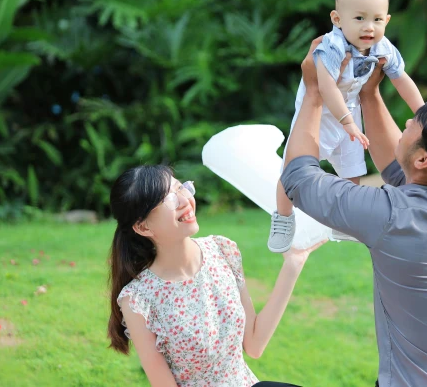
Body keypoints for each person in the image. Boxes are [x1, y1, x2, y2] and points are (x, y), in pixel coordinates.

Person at [280, 39, 427, 386]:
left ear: (425, 159)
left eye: (414, 122)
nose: (406, 122)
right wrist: (369, 94)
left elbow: (297, 176)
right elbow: (403, 173)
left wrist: (313, 91)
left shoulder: (391, 216)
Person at [107, 165, 323, 387]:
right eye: (168, 200)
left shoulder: (222, 250)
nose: (184, 201)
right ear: (143, 227)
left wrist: (293, 263)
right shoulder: (138, 300)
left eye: (181, 188)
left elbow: (254, 344)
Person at [269, 0, 425, 253]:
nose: (369, 27)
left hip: (349, 111)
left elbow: (402, 79)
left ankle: (343, 222)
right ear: (337, 19)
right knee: (292, 168)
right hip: (319, 115)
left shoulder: (382, 47)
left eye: (377, 19)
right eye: (359, 18)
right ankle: (283, 216)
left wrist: (425, 113)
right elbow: (325, 86)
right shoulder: (332, 46)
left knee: (352, 170)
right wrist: (348, 122)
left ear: (387, 20)